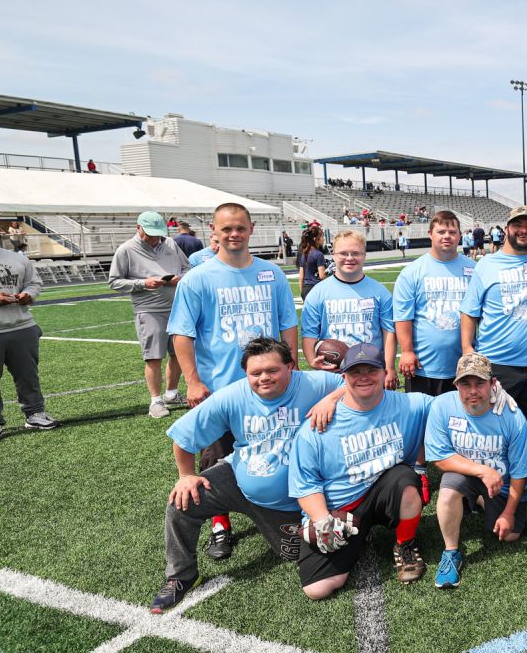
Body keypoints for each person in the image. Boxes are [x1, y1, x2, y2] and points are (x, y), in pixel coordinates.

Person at [150, 338, 342, 613]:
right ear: (246, 374)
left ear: (290, 367)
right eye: (255, 373)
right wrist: (185, 475)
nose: (264, 377)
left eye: (272, 370)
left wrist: (332, 399)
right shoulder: (232, 395)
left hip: (292, 501)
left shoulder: (314, 383)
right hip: (239, 478)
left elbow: (354, 384)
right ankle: (181, 576)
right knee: (182, 501)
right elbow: (183, 436)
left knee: (297, 553)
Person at [168, 202, 300, 558]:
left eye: (240, 227)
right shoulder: (197, 278)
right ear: (214, 230)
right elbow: (182, 334)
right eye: (226, 228)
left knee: (273, 453)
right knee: (215, 458)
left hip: (269, 390)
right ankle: (220, 524)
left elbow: (288, 323)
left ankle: (278, 512)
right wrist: (193, 381)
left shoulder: (271, 274)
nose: (234, 234)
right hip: (221, 388)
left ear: (251, 228)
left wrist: (293, 367)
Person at [287, 343, 434, 596]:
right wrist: (323, 521)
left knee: (406, 480)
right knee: (317, 589)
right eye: (356, 372)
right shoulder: (317, 427)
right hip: (341, 507)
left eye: (371, 370)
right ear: (344, 377)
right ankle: (359, 533)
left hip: (386, 489)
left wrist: (496, 393)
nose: (364, 377)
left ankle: (405, 543)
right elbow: (305, 484)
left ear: (384, 373)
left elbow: (453, 407)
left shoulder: (411, 405)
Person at [425, 353, 527, 588]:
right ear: (456, 385)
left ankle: (478, 502)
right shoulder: (442, 406)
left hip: (502, 485)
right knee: (448, 488)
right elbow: (440, 459)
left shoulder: (511, 415)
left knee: (510, 536)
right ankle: (451, 552)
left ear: (493, 383)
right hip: (467, 475)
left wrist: (509, 513)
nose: (472, 390)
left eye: (479, 383)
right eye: (465, 383)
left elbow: (521, 471)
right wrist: (483, 470)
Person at [460, 205, 527, 461]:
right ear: (507, 229)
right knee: (495, 427)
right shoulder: (486, 265)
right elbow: (470, 311)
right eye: (518, 225)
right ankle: (494, 480)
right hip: (497, 362)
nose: (524, 231)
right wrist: (467, 349)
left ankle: (526, 480)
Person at [0, 211, 57, 446]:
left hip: (22, 326)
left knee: (28, 376)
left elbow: (35, 283)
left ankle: (34, 414)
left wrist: (28, 295)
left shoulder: (17, 257)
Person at [108, 211, 191, 418]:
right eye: (151, 234)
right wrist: (143, 283)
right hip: (149, 310)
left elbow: (187, 267)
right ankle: (155, 401)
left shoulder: (170, 244)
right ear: (138, 228)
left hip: (178, 307)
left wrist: (180, 277)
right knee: (153, 356)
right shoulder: (126, 250)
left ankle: (171, 393)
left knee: (179, 353)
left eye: (159, 234)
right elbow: (114, 282)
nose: (156, 238)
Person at [300, 231, 397, 389]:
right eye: (343, 253)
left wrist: (390, 367)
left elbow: (389, 332)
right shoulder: (318, 293)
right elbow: (309, 334)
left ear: (364, 255)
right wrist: (312, 360)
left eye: (356, 253)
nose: (350, 258)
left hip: (370, 370)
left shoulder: (380, 292)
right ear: (333, 255)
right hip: (333, 374)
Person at [395, 211, 475, 397]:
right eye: (441, 232)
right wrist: (406, 351)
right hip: (423, 366)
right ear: (430, 234)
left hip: (463, 365)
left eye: (452, 232)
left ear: (459, 236)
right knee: (421, 422)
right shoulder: (413, 271)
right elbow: (403, 316)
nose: (447, 236)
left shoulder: (473, 269)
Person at [297, 227, 328, 300]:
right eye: (322, 236)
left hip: (305, 290)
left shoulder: (304, 254)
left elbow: (301, 277)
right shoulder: (319, 254)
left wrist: (302, 293)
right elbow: (322, 276)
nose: (323, 239)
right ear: (315, 239)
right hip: (316, 289)